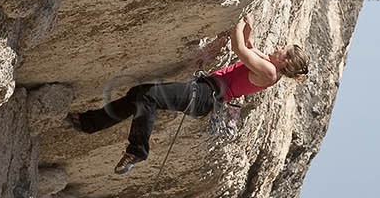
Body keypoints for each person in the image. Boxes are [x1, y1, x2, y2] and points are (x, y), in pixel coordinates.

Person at [69, 17, 309, 174]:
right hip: (204, 94)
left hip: (204, 94)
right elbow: (248, 45)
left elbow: (240, 50)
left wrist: (236, 22)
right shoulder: (268, 65)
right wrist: (247, 28)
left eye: (283, 48)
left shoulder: (269, 72)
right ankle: (90, 123)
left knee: (148, 97)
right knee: (139, 94)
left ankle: (137, 150)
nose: (278, 46)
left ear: (285, 60)